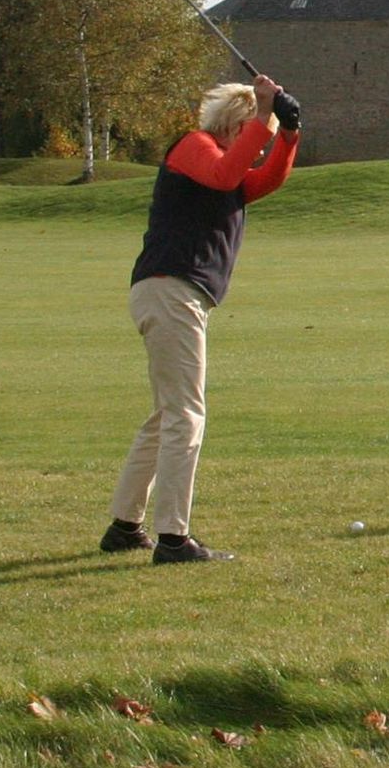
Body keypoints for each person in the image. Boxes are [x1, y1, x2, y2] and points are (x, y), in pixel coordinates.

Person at [101, 75, 300, 564]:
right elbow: (225, 175)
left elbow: (265, 180)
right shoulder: (195, 147)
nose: (259, 145)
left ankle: (124, 526)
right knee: (186, 416)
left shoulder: (228, 168)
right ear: (236, 123)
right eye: (255, 132)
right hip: (172, 291)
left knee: (167, 416)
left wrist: (290, 134)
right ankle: (173, 538)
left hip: (172, 294)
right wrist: (265, 115)